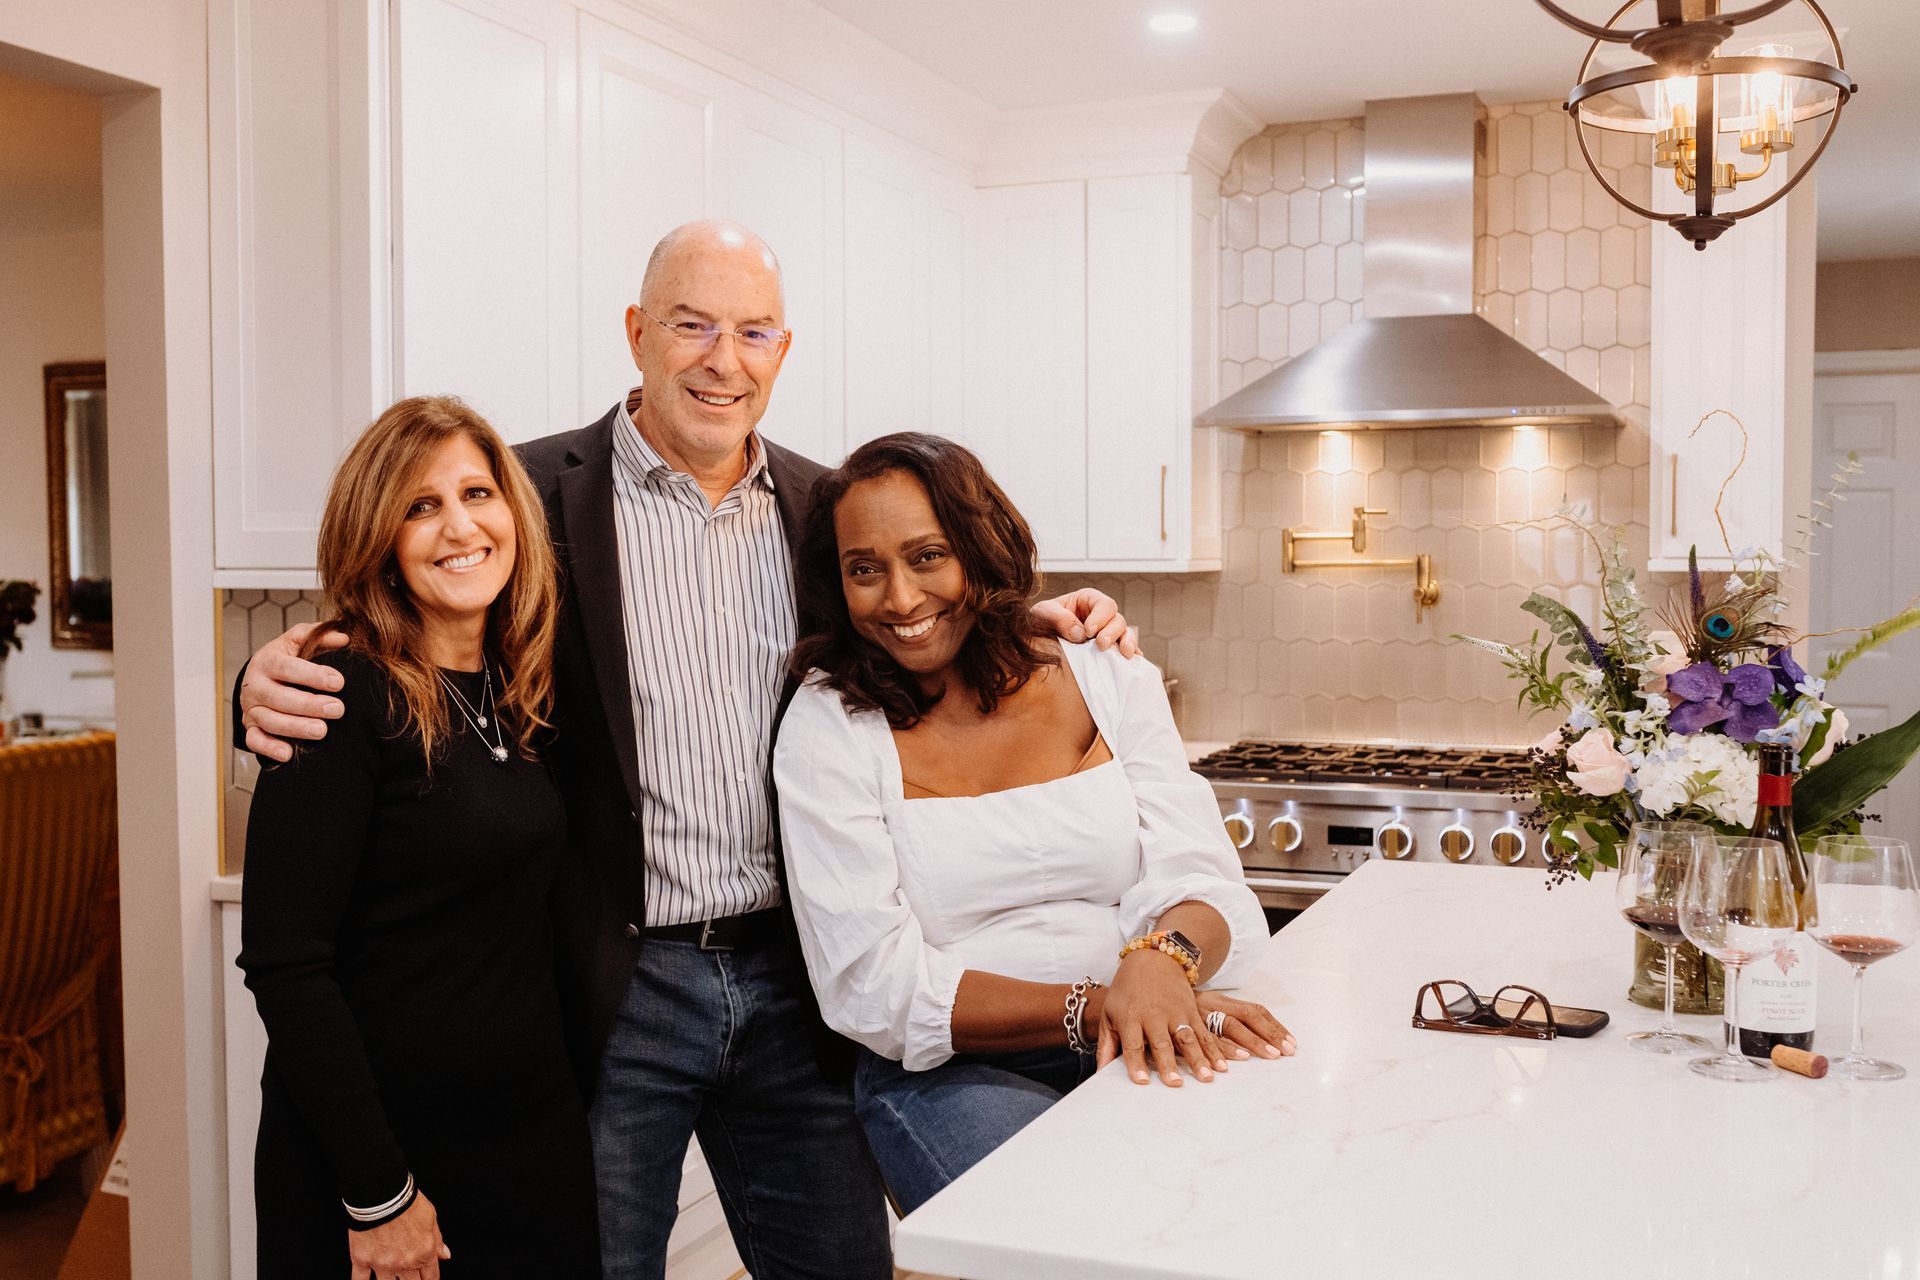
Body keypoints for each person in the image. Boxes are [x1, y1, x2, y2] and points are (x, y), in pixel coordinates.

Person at [235, 221, 1136, 1279]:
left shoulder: (823, 508)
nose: (724, 358)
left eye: (753, 331)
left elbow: (919, 622)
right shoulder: (525, 499)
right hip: (613, 980)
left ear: (783, 351)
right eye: (692, 325)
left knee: (840, 1261)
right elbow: (400, 633)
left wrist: (1050, 621)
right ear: (637, 333)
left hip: (798, 973)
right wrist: (257, 678)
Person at [773, 432, 1295, 1214]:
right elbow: (873, 985)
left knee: (1246, 1200)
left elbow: (1201, 874)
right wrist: (1101, 1000)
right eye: (863, 569)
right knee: (1077, 1226)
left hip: (1151, 1017)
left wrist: (1162, 965)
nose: (901, 599)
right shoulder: (830, 724)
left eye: (926, 556)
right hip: (953, 1074)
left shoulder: (1107, 671)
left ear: (980, 549)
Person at [238, 396, 598, 1279]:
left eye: (478, 493)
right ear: (378, 535)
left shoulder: (519, 689)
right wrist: (377, 1191)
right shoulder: (335, 693)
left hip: (527, 1145)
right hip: (384, 1160)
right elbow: (286, 964)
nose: (459, 527)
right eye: (420, 505)